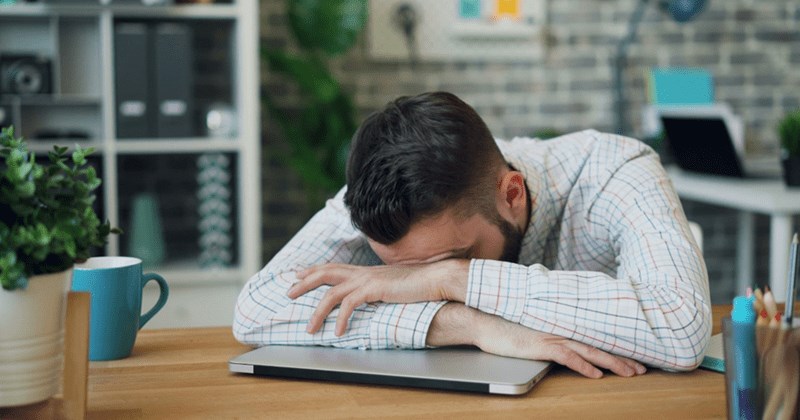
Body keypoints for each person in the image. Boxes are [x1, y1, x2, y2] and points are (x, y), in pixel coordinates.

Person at [234, 91, 711, 378]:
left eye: (447, 257)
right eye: (402, 269)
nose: (412, 282)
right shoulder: (379, 196)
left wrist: (453, 279)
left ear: (512, 193)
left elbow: (682, 327)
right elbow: (256, 310)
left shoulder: (616, 170)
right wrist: (467, 324)